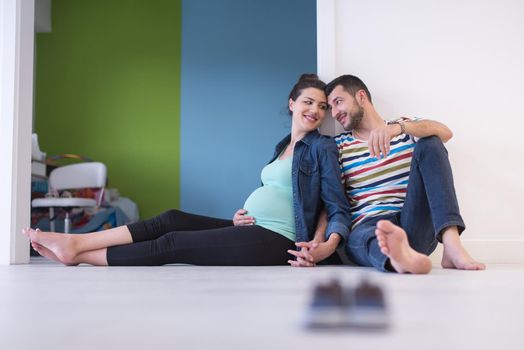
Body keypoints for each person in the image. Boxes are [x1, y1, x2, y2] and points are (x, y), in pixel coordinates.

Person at [22, 74, 351, 267]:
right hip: (253, 226)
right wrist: (242, 214)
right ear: (292, 103)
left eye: (322, 106)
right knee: (171, 218)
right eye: (308, 101)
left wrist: (323, 246)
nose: (316, 110)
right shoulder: (282, 147)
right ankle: (77, 241)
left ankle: (77, 253)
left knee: (173, 242)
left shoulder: (322, 147)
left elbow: (333, 204)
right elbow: (277, 193)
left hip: (280, 241)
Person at [291, 74, 485, 273]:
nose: (334, 113)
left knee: (431, 141)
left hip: (412, 222)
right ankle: (397, 258)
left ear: (361, 96)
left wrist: (397, 129)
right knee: (361, 238)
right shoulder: (338, 145)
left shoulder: (405, 128)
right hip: (368, 225)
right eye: (330, 108)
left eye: (338, 102)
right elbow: (333, 202)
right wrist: (322, 240)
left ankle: (452, 244)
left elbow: (445, 132)